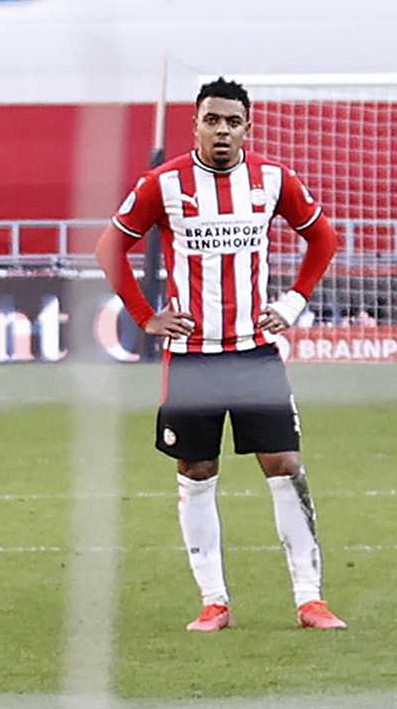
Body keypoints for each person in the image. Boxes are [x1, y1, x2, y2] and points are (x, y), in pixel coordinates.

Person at [103, 73, 342, 632]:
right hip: (192, 356)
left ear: (247, 128)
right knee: (197, 471)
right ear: (195, 125)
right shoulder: (163, 184)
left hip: (255, 353)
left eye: (233, 122)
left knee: (285, 466)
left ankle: (310, 599)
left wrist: (294, 300)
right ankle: (214, 601)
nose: (222, 131)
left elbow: (323, 238)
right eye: (212, 120)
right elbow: (110, 246)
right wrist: (145, 317)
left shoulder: (273, 180)